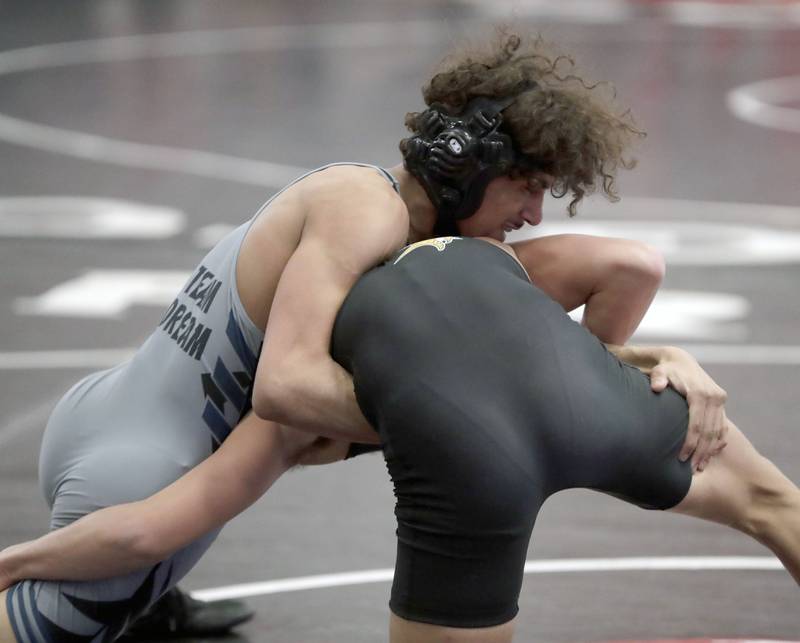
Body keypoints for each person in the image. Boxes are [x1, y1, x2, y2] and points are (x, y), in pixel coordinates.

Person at [0, 30, 729, 641]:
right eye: (528, 186)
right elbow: (285, 386)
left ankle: (152, 602)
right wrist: (455, 423)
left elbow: (609, 288)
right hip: (140, 481)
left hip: (114, 413)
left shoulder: (415, 244)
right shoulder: (366, 210)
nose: (536, 214)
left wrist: (667, 357)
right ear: (468, 163)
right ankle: (125, 593)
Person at [330, 233, 800, 642]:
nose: (533, 214)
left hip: (471, 457)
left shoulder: (342, 291)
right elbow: (637, 264)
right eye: (526, 191)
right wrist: (662, 354)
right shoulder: (497, 253)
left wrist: (400, 419)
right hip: (593, 402)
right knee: (774, 504)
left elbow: (295, 416)